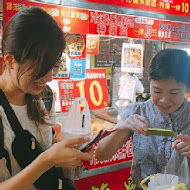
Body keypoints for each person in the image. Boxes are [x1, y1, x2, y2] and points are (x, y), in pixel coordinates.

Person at [0, 7, 93, 190]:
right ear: (10, 61)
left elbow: (44, 150)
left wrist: (68, 155)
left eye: (55, 66)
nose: (50, 77)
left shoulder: (45, 96)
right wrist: (48, 159)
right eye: (41, 69)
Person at [95, 49, 190, 189]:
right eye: (157, 91)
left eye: (174, 92)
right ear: (149, 82)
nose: (164, 100)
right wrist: (124, 126)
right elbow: (101, 155)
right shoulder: (137, 111)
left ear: (187, 87)